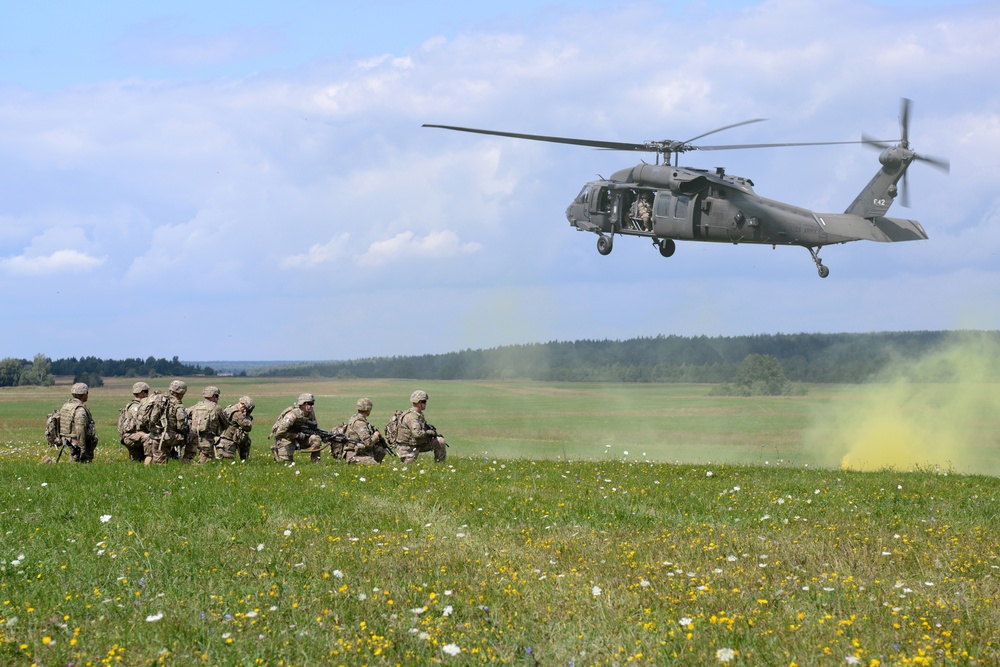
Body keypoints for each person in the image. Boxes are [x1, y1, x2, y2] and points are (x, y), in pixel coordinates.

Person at [149, 379, 197, 465]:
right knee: (193, 436)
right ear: (181, 393)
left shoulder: (158, 400)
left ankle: (159, 465)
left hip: (155, 436)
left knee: (159, 464)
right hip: (169, 437)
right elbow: (181, 426)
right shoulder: (177, 405)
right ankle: (186, 462)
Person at [396, 390, 447, 464]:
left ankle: (440, 465)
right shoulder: (412, 416)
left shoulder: (418, 414)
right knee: (408, 469)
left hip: (416, 444)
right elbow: (417, 434)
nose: (425, 404)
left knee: (440, 441)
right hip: (408, 447)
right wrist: (429, 432)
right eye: (424, 401)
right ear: (418, 403)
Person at [270, 393, 323, 463]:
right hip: (285, 438)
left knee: (316, 438)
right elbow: (279, 432)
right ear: (303, 404)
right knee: (285, 463)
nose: (312, 406)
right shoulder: (292, 415)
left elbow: (313, 427)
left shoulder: (310, 413)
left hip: (301, 438)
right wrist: (295, 435)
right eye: (309, 404)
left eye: (313, 404)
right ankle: (277, 453)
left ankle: (315, 462)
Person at [58, 382, 98, 462]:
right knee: (80, 462)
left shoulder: (66, 406)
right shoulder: (80, 410)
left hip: (66, 438)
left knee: (74, 460)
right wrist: (82, 447)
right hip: (75, 440)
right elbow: (80, 429)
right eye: (87, 393)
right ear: (83, 394)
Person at [189, 386, 229, 464]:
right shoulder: (216, 408)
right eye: (217, 396)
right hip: (207, 439)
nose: (218, 399)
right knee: (206, 462)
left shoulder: (196, 406)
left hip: (193, 437)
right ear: (213, 396)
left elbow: (185, 414)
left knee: (187, 461)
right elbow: (225, 424)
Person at [344, 398, 387, 464]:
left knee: (380, 450)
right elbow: (368, 443)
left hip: (360, 452)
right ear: (368, 409)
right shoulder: (359, 423)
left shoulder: (355, 418)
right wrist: (375, 435)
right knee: (374, 466)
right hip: (354, 455)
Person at [118, 381, 151, 462]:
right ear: (141, 393)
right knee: (150, 439)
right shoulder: (136, 407)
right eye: (146, 392)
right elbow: (141, 422)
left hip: (133, 435)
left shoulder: (132, 405)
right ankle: (149, 464)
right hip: (132, 436)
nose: (147, 394)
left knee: (137, 461)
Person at [218, 395, 254, 461]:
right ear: (241, 404)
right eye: (245, 408)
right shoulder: (237, 413)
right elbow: (247, 427)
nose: (245, 410)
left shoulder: (230, 408)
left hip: (224, 439)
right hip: (228, 441)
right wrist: (248, 417)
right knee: (227, 463)